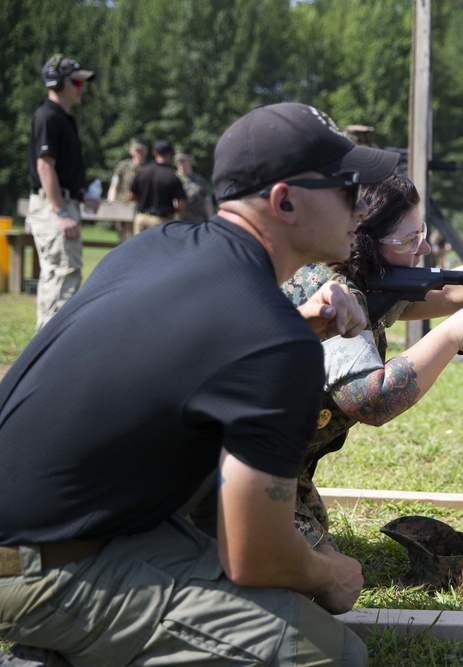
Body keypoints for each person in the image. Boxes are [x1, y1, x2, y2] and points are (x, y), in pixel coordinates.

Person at [0, 102, 406, 666]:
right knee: (331, 656)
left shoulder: (159, 245)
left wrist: (293, 330)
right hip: (37, 567)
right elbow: (256, 555)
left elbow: (197, 355)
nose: (359, 203)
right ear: (284, 200)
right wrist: (332, 573)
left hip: (53, 529)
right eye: (345, 185)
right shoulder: (269, 340)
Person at [279, 173, 463, 551]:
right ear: (363, 244)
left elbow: (443, 294)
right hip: (224, 468)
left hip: (282, 463)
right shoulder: (329, 289)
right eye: (409, 240)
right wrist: (450, 337)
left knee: (317, 534)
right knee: (331, 577)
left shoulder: (363, 275)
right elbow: (372, 399)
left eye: (423, 233)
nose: (424, 249)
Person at [24, 54, 100, 330]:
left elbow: (62, 170)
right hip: (54, 207)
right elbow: (45, 168)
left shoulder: (63, 119)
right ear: (57, 83)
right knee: (64, 276)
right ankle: (52, 357)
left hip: (64, 202)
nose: (81, 89)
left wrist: (81, 195)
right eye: (76, 84)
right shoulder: (47, 117)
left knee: (59, 276)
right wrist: (61, 211)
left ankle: (46, 353)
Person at [129, 139, 187, 234]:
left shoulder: (143, 172)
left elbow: (131, 196)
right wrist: (172, 210)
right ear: (170, 154)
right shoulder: (172, 176)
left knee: (139, 248)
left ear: (154, 152)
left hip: (141, 218)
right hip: (161, 220)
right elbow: (181, 206)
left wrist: (144, 202)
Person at [175, 148, 216, 222]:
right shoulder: (172, 179)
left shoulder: (200, 181)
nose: (181, 164)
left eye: (184, 161)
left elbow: (207, 203)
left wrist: (211, 222)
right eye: (178, 161)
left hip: (196, 223)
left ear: (191, 161)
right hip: (177, 223)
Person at [106, 137, 149, 203]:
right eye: (137, 150)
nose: (139, 153)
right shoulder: (123, 166)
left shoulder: (151, 168)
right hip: (126, 203)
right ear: (131, 151)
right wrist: (111, 201)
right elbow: (114, 185)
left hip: (145, 205)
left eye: (142, 150)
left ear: (146, 151)